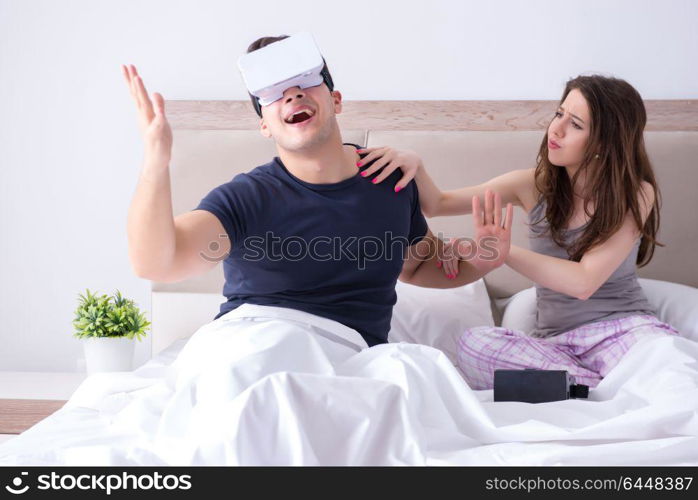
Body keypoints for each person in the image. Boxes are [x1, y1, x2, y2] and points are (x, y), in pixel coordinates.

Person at [123, 34, 513, 349]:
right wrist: (155, 164)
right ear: (264, 125)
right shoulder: (245, 198)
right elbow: (157, 262)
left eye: (305, 82)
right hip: (255, 344)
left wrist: (484, 260)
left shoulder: (392, 180)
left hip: (352, 355)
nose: (292, 95)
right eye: (275, 93)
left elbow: (420, 266)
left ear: (336, 100)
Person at [360, 74, 679, 388]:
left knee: (667, 361)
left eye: (576, 124)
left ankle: (579, 389)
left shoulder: (636, 193)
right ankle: (597, 388)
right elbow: (438, 203)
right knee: (475, 346)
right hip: (556, 344)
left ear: (606, 142)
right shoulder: (533, 184)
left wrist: (503, 252)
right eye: (559, 114)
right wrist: (414, 163)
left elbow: (583, 282)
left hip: (620, 330)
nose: (557, 129)